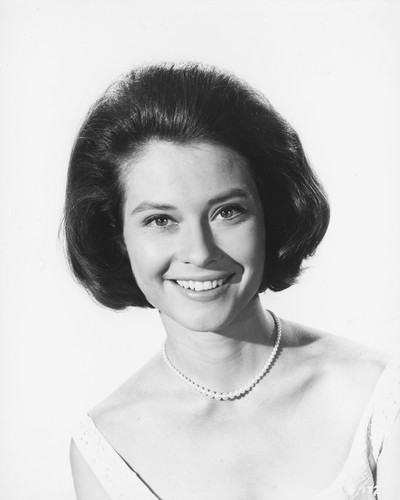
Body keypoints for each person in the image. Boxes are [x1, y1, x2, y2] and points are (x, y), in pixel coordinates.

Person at [65, 63, 400, 500]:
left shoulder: (379, 394)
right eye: (160, 219)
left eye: (227, 212)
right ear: (117, 237)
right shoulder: (105, 447)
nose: (200, 252)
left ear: (270, 216)